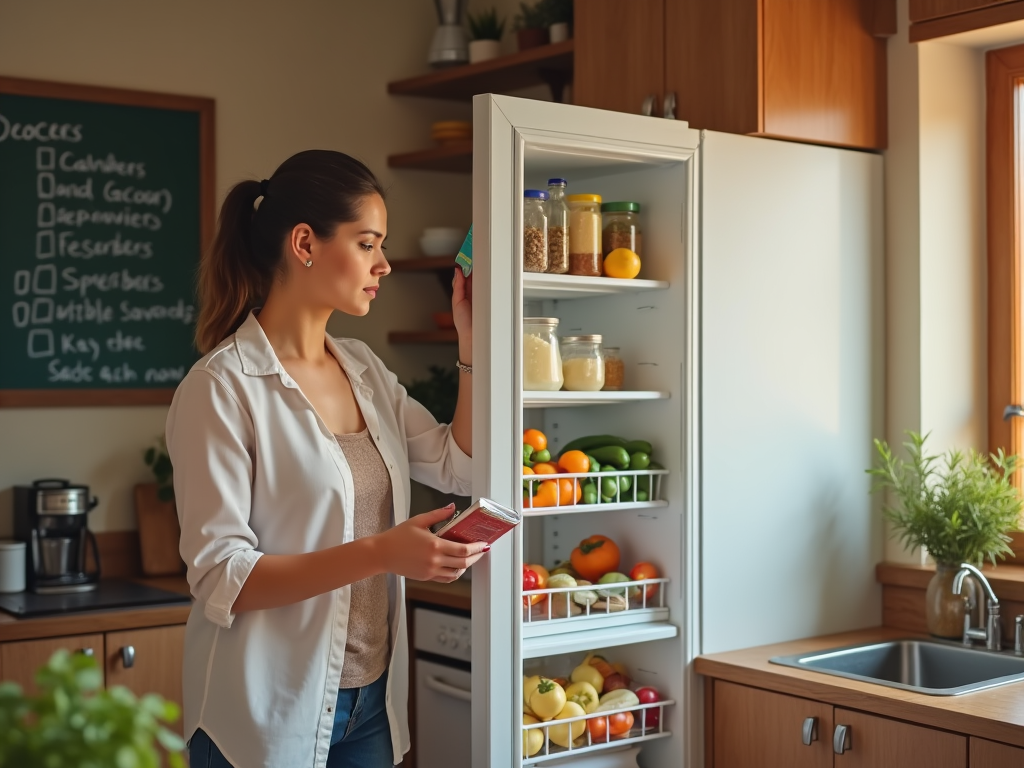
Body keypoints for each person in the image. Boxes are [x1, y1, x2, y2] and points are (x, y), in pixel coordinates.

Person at [165, 149, 484, 768]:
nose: (384, 264)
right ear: (305, 242)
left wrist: (467, 344)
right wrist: (383, 552)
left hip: (371, 701)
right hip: (265, 713)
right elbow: (220, 575)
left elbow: (457, 465)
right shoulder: (221, 387)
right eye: (367, 244)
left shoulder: (362, 366)